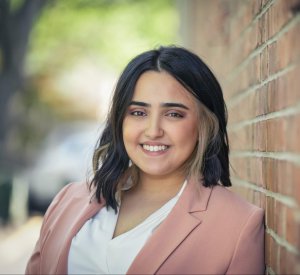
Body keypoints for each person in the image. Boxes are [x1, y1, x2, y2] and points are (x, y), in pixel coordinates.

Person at [26, 46, 264, 274]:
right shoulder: (67, 201)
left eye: (173, 114)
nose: (153, 131)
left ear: (205, 124)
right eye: (138, 113)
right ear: (120, 121)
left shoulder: (238, 224)